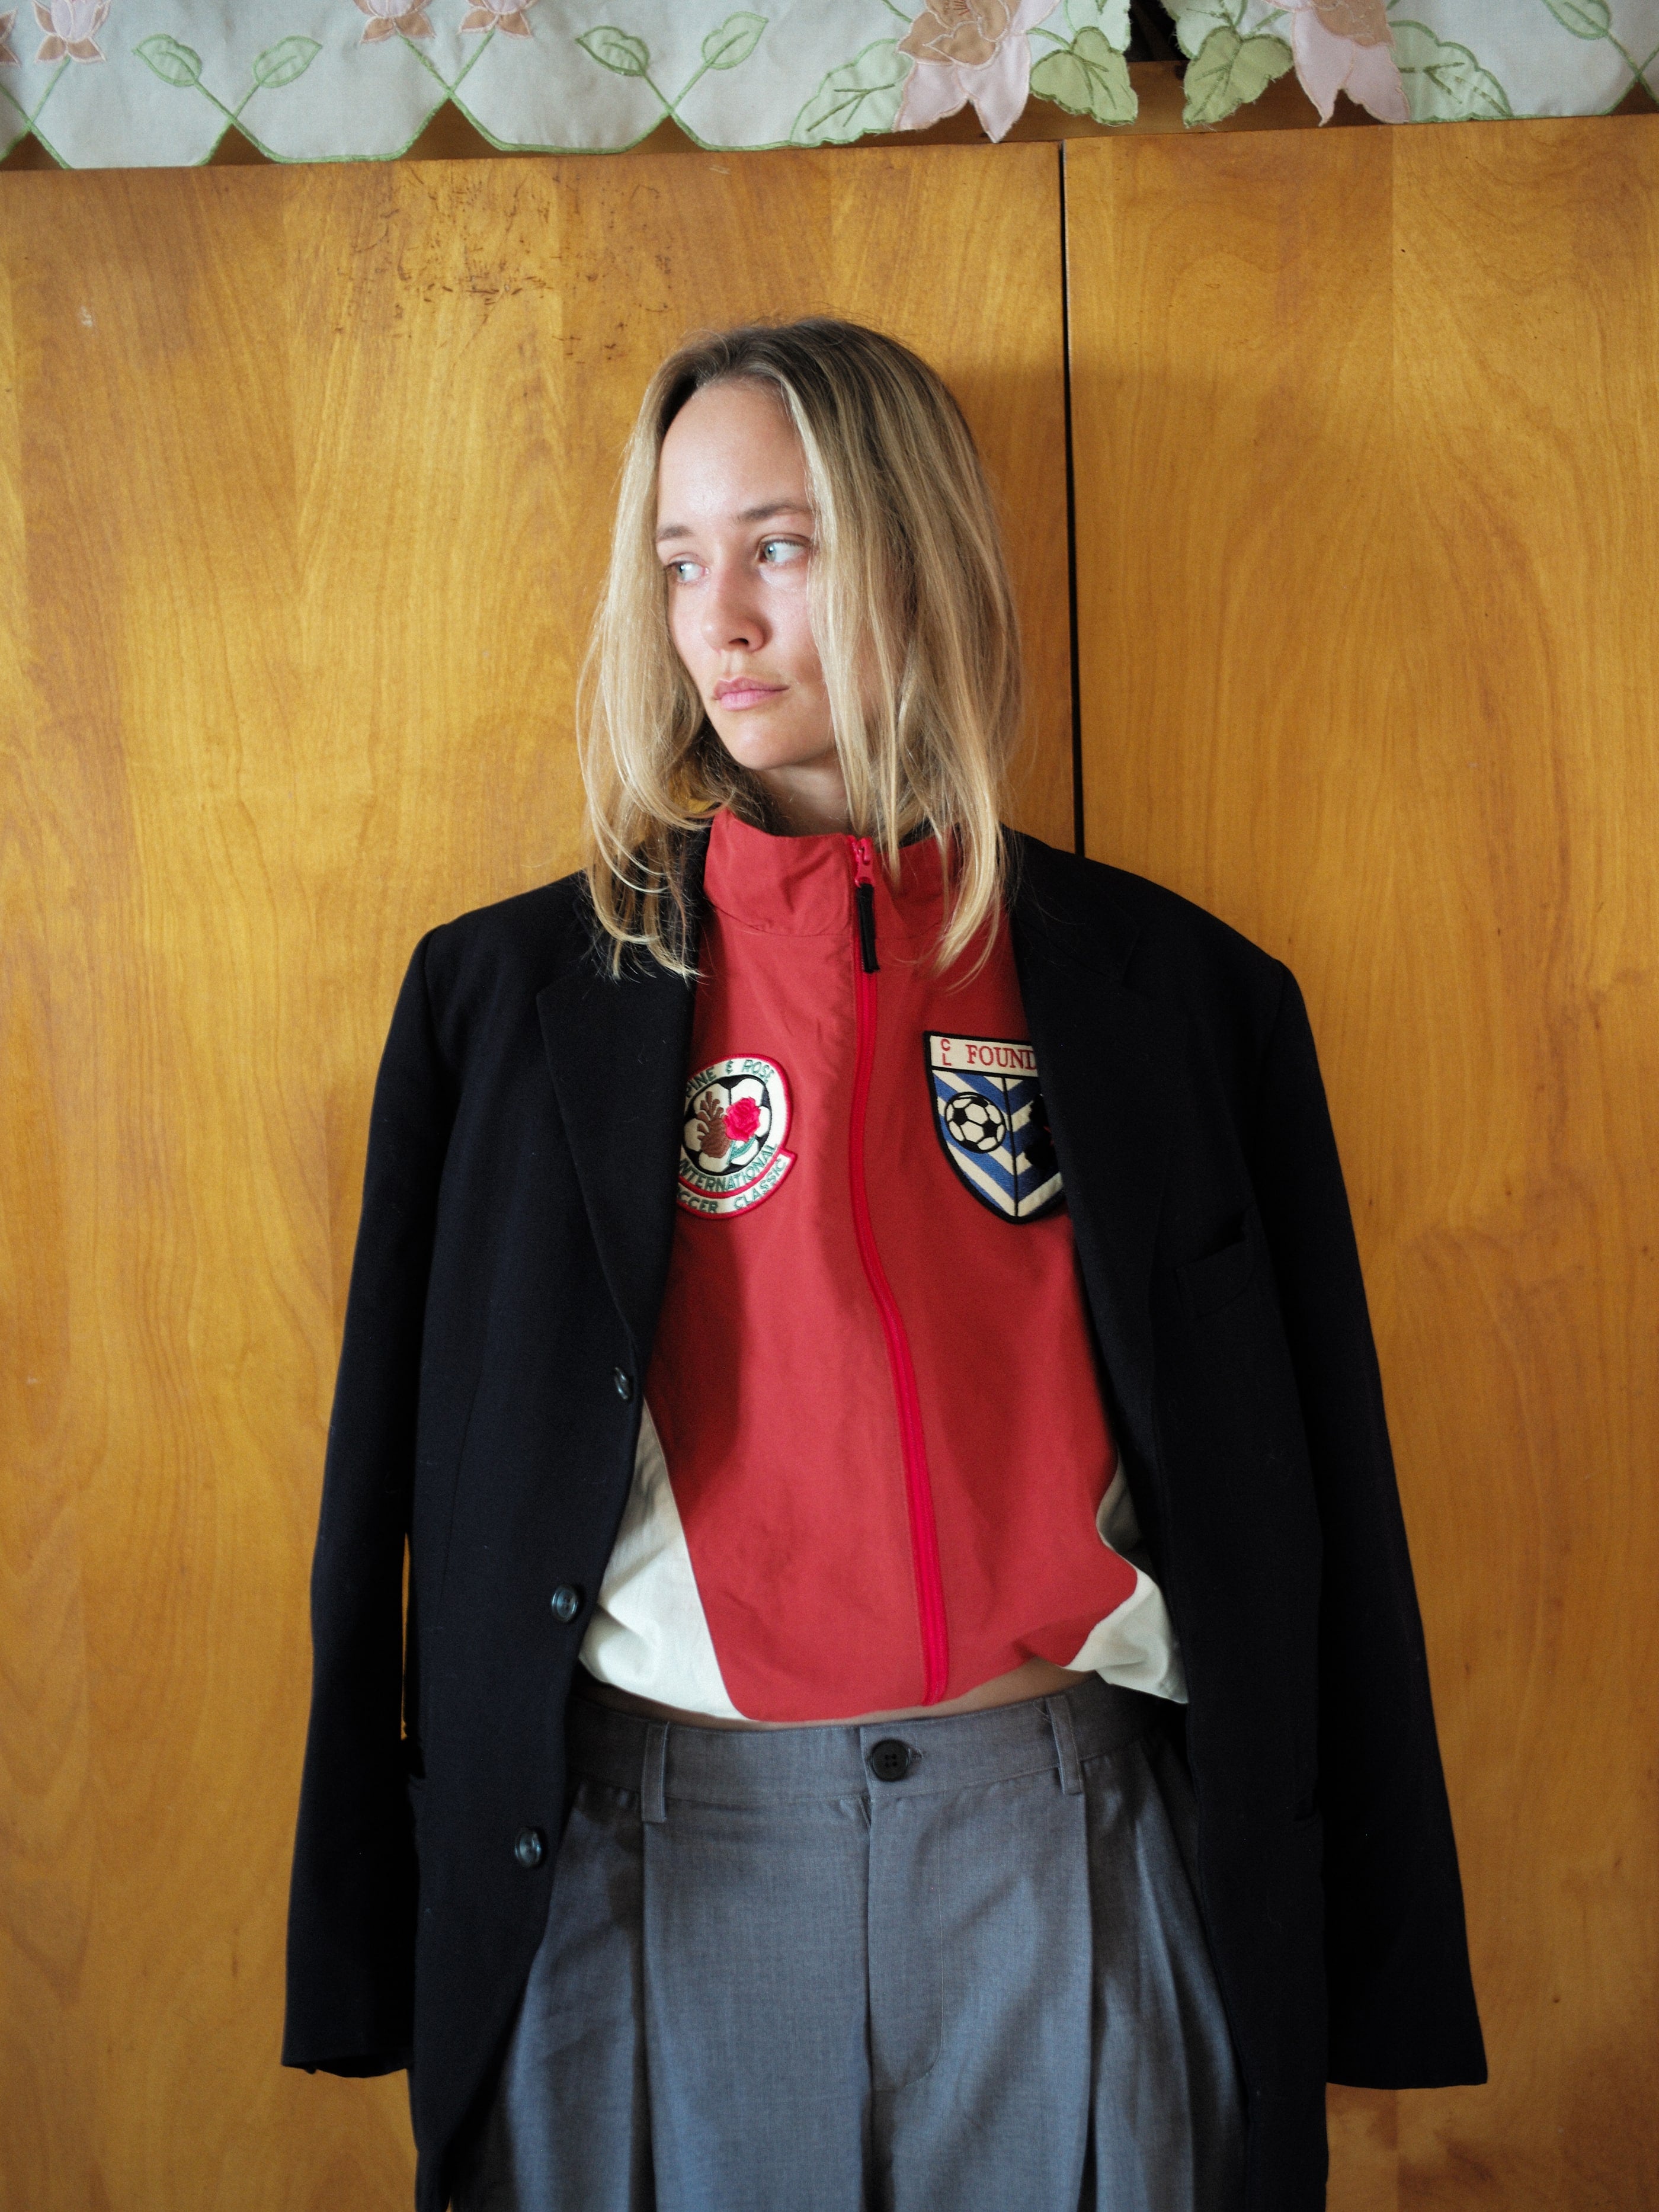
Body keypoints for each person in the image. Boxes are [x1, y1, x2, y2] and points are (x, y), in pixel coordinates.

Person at [281, 319, 1484, 2212]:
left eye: (782, 544)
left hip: (1064, 1853)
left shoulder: (1185, 1004)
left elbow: (1320, 1502)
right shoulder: (502, 1006)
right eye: (681, 561)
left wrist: (1381, 1958)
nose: (719, 620)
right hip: (632, 1856)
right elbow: (385, 1503)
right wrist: (358, 1935)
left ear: (916, 547)